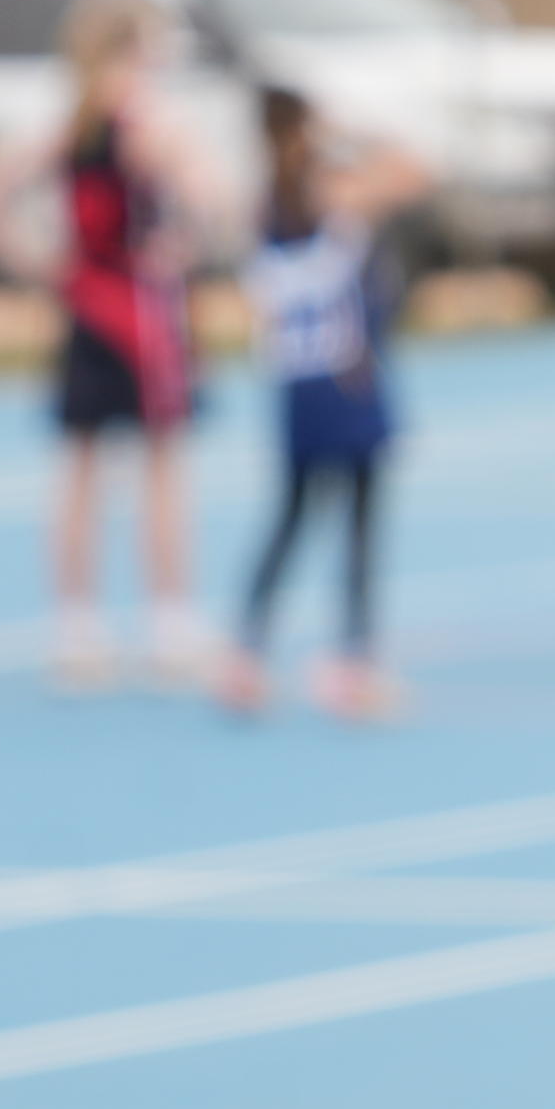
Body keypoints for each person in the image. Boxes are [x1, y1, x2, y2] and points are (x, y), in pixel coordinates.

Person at [0, 0, 216, 690]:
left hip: (91, 305)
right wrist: (181, 243)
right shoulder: (142, 125)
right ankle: (166, 621)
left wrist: (39, 262)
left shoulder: (66, 127)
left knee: (82, 472)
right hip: (134, 313)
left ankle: (79, 628)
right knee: (154, 471)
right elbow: (210, 198)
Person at [218, 88, 427, 722]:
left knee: (292, 515)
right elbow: (416, 172)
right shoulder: (328, 195)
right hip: (346, 376)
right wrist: (353, 130)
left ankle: (247, 652)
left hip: (296, 382)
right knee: (358, 523)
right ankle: (352, 661)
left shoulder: (264, 205)